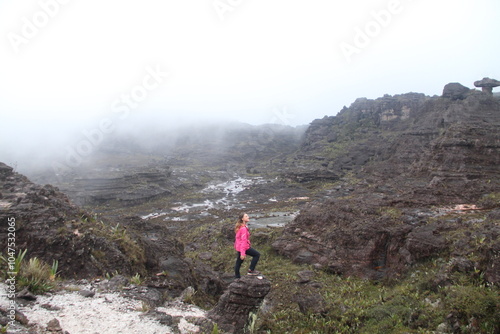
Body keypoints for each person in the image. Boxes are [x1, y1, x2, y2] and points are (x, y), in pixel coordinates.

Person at [234, 212, 260, 278]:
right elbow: (243, 241)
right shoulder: (243, 229)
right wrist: (243, 253)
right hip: (244, 247)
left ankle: (237, 277)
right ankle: (251, 270)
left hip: (240, 247)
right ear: (242, 219)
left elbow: (238, 239)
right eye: (246, 216)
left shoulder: (241, 226)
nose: (248, 217)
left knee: (238, 263)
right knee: (257, 254)